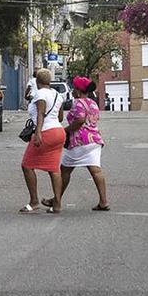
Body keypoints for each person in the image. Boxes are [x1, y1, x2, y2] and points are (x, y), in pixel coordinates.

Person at [42, 76, 109, 211]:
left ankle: (56, 200)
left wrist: (65, 130)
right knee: (96, 170)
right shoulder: (93, 102)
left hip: (79, 141)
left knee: (65, 170)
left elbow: (79, 121)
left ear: (78, 91)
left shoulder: (78, 102)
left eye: (74, 88)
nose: (72, 90)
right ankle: (103, 201)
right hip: (94, 140)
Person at [20, 68, 66, 213]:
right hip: (59, 132)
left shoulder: (40, 93)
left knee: (27, 165)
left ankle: (34, 201)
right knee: (54, 169)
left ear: (37, 81)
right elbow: (60, 118)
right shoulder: (58, 95)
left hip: (45, 132)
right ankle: (57, 204)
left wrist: (38, 133)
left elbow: (41, 112)